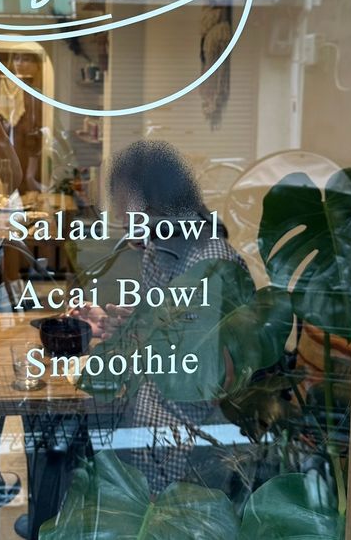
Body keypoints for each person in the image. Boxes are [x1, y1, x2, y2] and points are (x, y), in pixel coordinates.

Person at [71, 140, 246, 493]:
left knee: (74, 435)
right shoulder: (157, 252)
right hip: (146, 408)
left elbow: (220, 383)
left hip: (189, 434)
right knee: (72, 429)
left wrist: (144, 333)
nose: (120, 218)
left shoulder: (213, 263)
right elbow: (156, 331)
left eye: (125, 206)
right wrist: (114, 324)